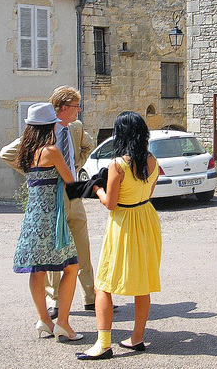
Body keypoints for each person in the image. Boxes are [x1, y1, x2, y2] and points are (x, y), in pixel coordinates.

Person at [0, 86, 97, 317]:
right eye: (76, 106)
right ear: (63, 108)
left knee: (82, 248)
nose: (79, 110)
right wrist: (36, 173)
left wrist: (77, 163)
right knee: (55, 254)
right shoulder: (41, 140)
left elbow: (87, 145)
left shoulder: (76, 128)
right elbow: (6, 153)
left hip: (71, 200)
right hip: (55, 198)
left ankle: (90, 298)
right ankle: (55, 302)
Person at [76, 111, 162, 360]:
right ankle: (137, 337)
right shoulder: (153, 160)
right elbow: (149, 191)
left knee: (104, 283)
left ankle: (103, 344)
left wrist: (96, 188)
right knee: (142, 283)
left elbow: (111, 203)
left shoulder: (117, 165)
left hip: (123, 224)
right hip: (146, 219)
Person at [12, 103, 83, 341]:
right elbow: (70, 180)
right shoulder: (51, 151)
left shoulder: (24, 151)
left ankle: (44, 319)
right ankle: (62, 322)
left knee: (37, 269)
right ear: (49, 126)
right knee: (71, 266)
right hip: (52, 215)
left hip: (32, 215)